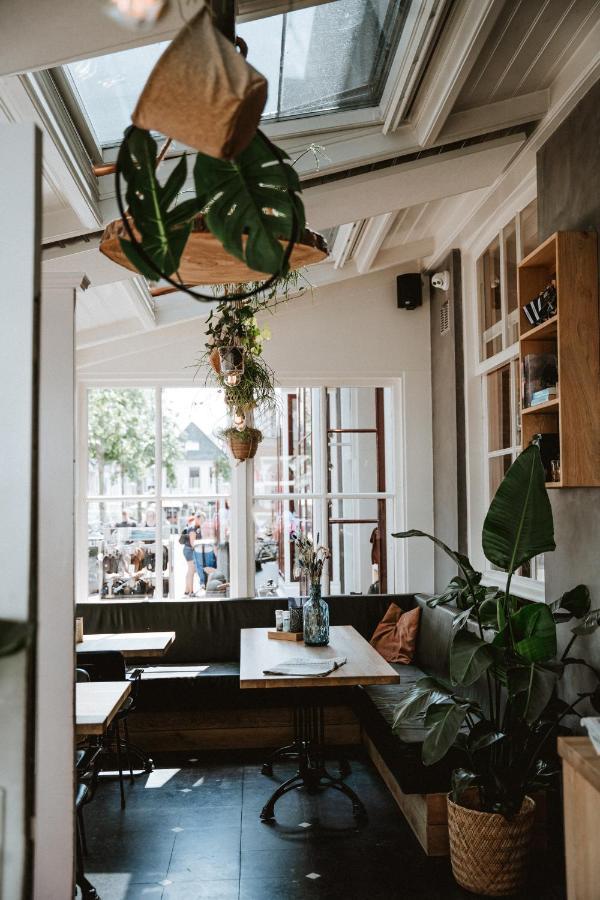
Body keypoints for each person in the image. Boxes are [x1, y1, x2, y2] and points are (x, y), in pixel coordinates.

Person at [181, 515, 197, 596]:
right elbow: (192, 543)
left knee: (190, 570)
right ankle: (191, 591)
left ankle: (187, 590)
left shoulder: (189, 527)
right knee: (191, 570)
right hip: (189, 550)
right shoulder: (192, 529)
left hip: (186, 549)